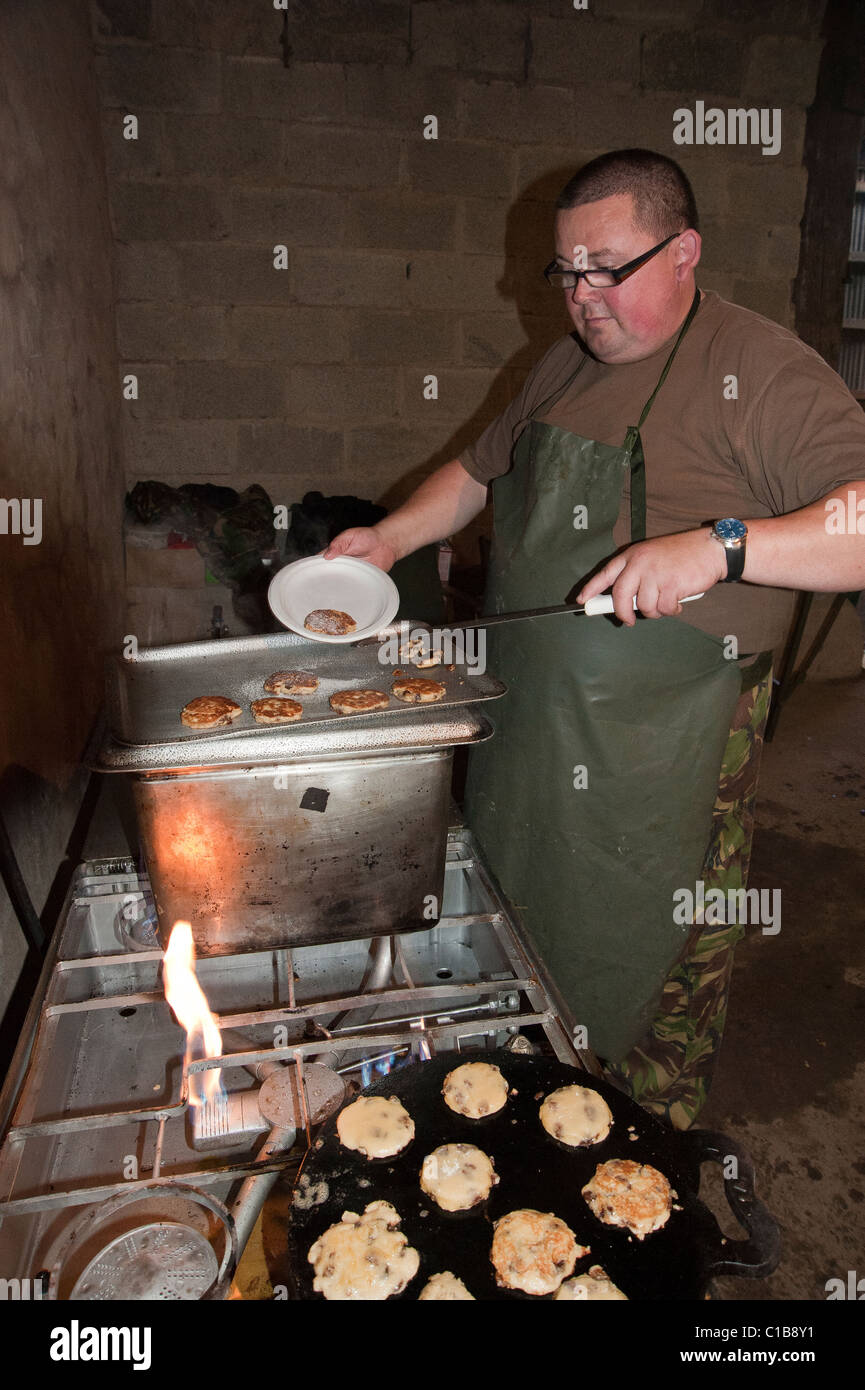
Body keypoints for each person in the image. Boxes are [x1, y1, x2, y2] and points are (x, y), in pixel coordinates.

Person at [325, 150, 865, 1127]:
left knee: (657, 964)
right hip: (531, 723)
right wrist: (391, 536)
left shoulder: (760, 373)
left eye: (607, 268)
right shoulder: (561, 362)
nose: (583, 297)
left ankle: (649, 1163)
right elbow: (480, 472)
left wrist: (725, 546)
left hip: (666, 745)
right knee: (524, 927)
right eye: (566, 272)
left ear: (684, 251)